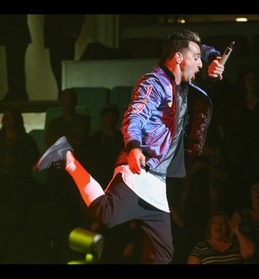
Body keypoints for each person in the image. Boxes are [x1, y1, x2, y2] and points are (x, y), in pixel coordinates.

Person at [34, 29, 225, 264]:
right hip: (141, 168)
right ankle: (68, 159)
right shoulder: (154, 83)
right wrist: (134, 147)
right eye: (196, 58)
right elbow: (134, 116)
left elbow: (199, 49)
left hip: (158, 180)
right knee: (106, 214)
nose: (199, 64)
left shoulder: (182, 84)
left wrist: (213, 57)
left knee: (161, 255)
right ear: (178, 57)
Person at [187, 211, 254, 264]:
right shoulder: (201, 247)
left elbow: (249, 252)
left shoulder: (236, 244)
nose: (218, 225)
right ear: (210, 226)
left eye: (223, 223)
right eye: (215, 222)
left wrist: (237, 231)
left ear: (227, 227)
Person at [44, 15, 85, 95]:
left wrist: (74, 32)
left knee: (64, 67)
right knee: (56, 66)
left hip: (65, 36)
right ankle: (62, 91)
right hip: (56, 35)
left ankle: (63, 92)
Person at [0, 15, 31, 101]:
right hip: (17, 36)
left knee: (14, 66)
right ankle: (18, 92)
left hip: (14, 36)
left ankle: (17, 92)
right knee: (16, 66)